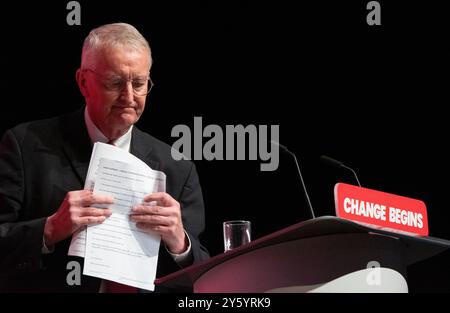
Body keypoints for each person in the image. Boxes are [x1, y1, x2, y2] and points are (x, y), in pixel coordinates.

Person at [0, 23, 209, 292]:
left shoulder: (177, 167)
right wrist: (49, 229)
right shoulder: (24, 146)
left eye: (139, 83)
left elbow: (203, 272)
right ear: (83, 82)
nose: (129, 97)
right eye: (115, 82)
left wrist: (180, 243)